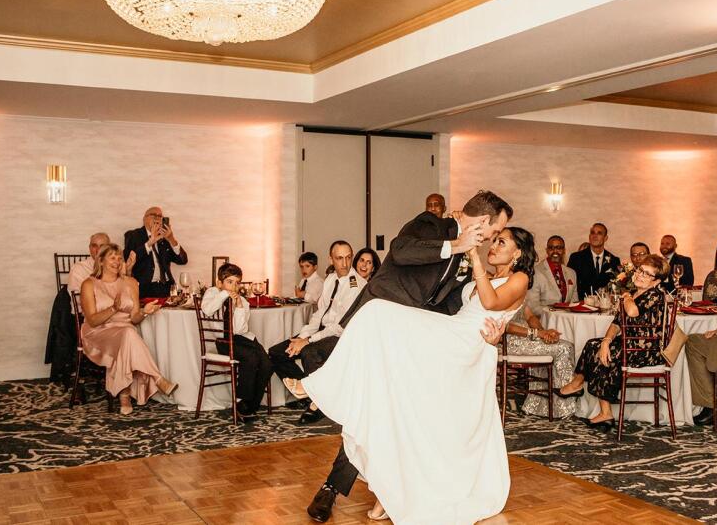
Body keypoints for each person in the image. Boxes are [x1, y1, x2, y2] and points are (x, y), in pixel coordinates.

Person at [293, 189, 513, 523]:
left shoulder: (472, 258)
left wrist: (480, 330)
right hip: (382, 322)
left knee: (383, 413)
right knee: (367, 405)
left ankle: (382, 490)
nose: (493, 238)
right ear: (483, 221)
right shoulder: (431, 224)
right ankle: (332, 485)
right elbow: (402, 251)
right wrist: (456, 245)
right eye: (495, 231)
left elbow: (452, 302)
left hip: (412, 339)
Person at [557, 255, 670, 431]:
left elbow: (632, 312)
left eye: (647, 274)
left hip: (647, 349)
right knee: (594, 344)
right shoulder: (634, 294)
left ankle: (602, 410)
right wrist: (606, 341)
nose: (640, 275)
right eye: (640, 270)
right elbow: (617, 323)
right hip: (630, 344)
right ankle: (579, 385)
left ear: (656, 281)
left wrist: (626, 297)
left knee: (607, 354)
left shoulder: (655, 295)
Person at [269, 241, 367, 424]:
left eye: (348, 257)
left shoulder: (357, 285)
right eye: (339, 258)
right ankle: (310, 392)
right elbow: (319, 313)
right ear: (331, 259)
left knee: (309, 352)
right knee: (276, 352)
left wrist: (308, 341)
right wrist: (303, 336)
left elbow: (339, 326)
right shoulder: (330, 279)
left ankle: (319, 403)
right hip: (321, 331)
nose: (345, 263)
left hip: (340, 335)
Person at [80, 244, 177, 415]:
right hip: (98, 332)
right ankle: (157, 378)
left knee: (129, 333)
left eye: (119, 258)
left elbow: (134, 319)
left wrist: (144, 313)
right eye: (112, 257)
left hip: (125, 331)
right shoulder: (89, 284)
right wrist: (113, 309)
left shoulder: (131, 283)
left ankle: (124, 396)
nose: (117, 261)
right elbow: (92, 321)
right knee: (129, 334)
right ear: (101, 261)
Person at [202, 263, 273, 423]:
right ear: (219, 282)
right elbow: (207, 309)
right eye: (230, 282)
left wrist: (239, 306)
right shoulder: (212, 293)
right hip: (224, 341)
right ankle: (241, 401)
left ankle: (249, 405)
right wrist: (224, 295)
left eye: (237, 282)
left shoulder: (242, 300)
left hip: (243, 338)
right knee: (251, 358)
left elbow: (240, 329)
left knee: (267, 363)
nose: (233, 287)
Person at [504, 305, 578, 419]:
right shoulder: (499, 292)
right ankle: (564, 408)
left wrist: (544, 333)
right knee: (564, 348)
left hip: (529, 337)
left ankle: (541, 407)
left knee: (565, 345)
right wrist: (537, 334)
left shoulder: (517, 290)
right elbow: (504, 326)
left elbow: (530, 317)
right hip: (509, 341)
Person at [124, 206, 188, 298]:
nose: (157, 218)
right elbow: (128, 260)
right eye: (154, 215)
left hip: (167, 288)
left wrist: (171, 238)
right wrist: (150, 243)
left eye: (160, 216)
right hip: (145, 289)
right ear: (144, 219)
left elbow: (182, 260)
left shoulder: (164, 238)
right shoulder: (134, 235)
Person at [567, 223, 621, 300]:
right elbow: (570, 285)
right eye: (592, 233)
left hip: (605, 306)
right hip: (582, 306)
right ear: (589, 237)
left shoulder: (614, 261)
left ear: (605, 238)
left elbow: (617, 287)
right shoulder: (576, 258)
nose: (595, 236)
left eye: (599, 233)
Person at [528, 235, 577, 316]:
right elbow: (533, 307)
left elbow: (574, 302)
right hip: (544, 323)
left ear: (564, 250)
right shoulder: (535, 272)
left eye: (559, 248)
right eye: (551, 248)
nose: (555, 251)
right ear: (547, 250)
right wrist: (556, 313)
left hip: (567, 321)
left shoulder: (572, 273)